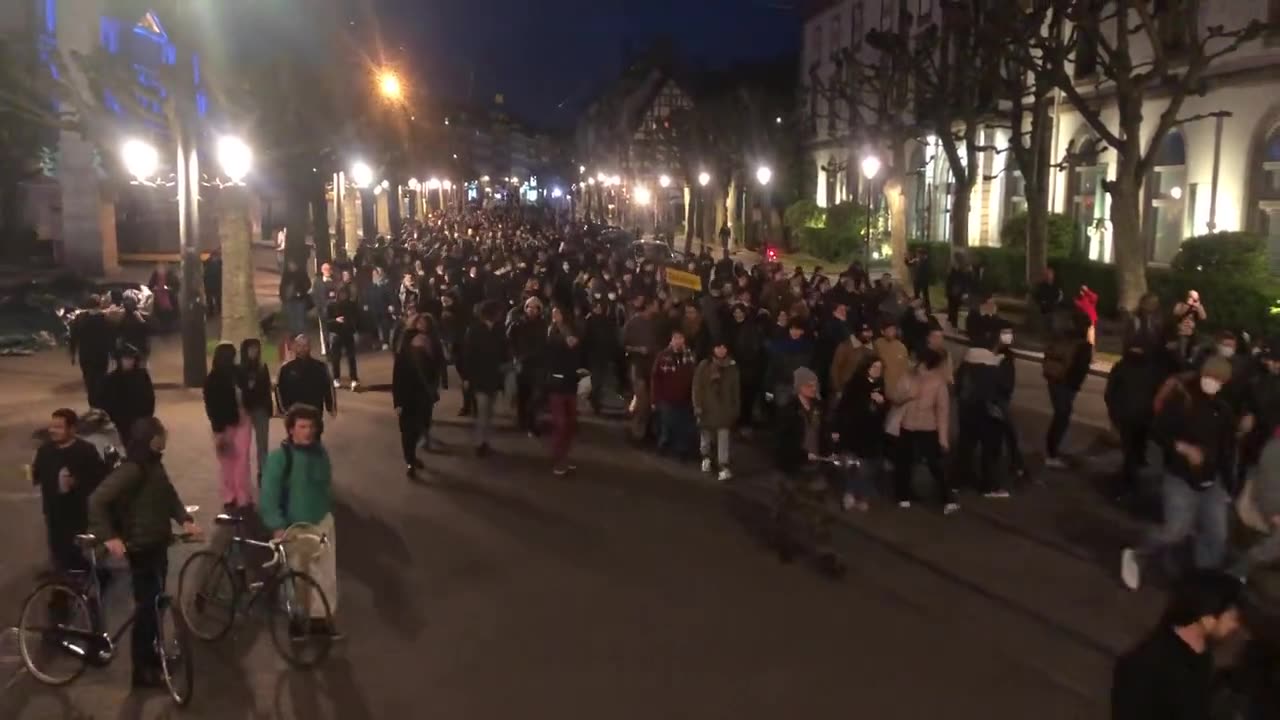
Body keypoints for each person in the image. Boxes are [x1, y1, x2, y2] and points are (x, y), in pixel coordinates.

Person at [87, 417, 201, 689]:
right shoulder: (133, 469)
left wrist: (183, 518)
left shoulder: (153, 464)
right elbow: (96, 500)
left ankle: (153, 656)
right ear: (149, 439)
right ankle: (142, 671)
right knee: (146, 609)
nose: (164, 441)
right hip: (141, 547)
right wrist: (110, 537)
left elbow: (168, 494)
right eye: (160, 437)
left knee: (155, 605)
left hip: (158, 542)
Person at [1120, 357, 1237, 591]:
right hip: (1181, 478)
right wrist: (1182, 447)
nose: (1213, 382)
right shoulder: (1182, 399)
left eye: (1219, 379)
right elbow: (1157, 431)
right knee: (1175, 531)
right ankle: (1137, 554)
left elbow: (1227, 449)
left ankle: (1201, 582)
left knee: (1216, 535)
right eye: (1210, 376)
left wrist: (1229, 486)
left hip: (1212, 482)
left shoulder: (1223, 409)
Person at [1111, 571, 1242, 720]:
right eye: (1232, 617)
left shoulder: (1200, 657)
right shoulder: (1148, 665)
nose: (1235, 625)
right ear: (1207, 617)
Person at [258, 405, 339, 636]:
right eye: (302, 426)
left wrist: (328, 514)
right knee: (298, 580)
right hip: (295, 527)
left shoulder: (320, 453)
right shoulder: (280, 458)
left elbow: (324, 486)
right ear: (291, 429)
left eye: (311, 426)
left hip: (321, 521)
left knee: (325, 576)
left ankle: (320, 621)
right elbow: (269, 494)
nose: (308, 431)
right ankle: (297, 622)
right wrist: (276, 525)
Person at [773, 367, 844, 577]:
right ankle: (785, 545)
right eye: (808, 385)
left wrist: (829, 450)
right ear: (798, 388)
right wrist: (800, 455)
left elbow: (823, 434)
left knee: (820, 513)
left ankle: (827, 556)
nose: (813, 389)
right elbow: (782, 443)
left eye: (814, 385)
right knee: (787, 511)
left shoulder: (818, 409)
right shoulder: (788, 411)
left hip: (813, 469)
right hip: (792, 469)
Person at [33, 409, 108, 573]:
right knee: (57, 551)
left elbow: (100, 479)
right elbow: (37, 474)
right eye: (52, 426)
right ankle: (61, 582)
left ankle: (86, 579)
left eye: (59, 427)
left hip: (76, 511)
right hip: (53, 511)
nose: (53, 431)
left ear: (72, 429)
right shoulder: (45, 450)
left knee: (75, 552)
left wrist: (77, 482)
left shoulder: (85, 451)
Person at [887, 348, 955, 513]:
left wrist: (943, 437)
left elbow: (942, 411)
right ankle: (902, 495)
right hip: (907, 426)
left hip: (928, 428)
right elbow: (895, 397)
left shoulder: (938, 382)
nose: (913, 363)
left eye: (916, 360)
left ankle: (948, 498)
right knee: (903, 462)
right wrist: (908, 395)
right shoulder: (907, 377)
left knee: (935, 464)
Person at [954, 330, 1014, 498]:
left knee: (965, 447)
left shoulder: (967, 359)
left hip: (966, 409)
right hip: (987, 411)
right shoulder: (993, 364)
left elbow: (958, 383)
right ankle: (988, 487)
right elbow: (1002, 388)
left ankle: (956, 482)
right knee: (990, 450)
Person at [1105, 342, 1162, 501]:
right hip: (1139, 418)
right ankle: (1129, 484)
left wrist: (1115, 415)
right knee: (1133, 452)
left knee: (1131, 452)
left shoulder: (1123, 366)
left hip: (1132, 418)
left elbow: (1110, 394)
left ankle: (1128, 483)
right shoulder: (1152, 369)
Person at [832, 356, 887, 511]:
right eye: (874, 367)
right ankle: (849, 493)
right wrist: (837, 428)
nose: (877, 371)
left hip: (871, 434)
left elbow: (882, 412)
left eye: (880, 368)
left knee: (866, 467)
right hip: (853, 431)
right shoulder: (855, 384)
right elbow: (843, 407)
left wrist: (882, 403)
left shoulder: (880, 385)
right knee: (851, 464)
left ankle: (861, 494)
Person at [204, 343, 254, 510]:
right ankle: (230, 494)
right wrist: (219, 430)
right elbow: (212, 407)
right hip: (225, 424)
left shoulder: (238, 374)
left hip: (242, 421)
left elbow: (248, 393)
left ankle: (241, 495)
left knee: (241, 459)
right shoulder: (213, 379)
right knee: (228, 461)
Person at [1042, 312, 1094, 469]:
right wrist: (1075, 386)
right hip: (1066, 384)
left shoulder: (1061, 337)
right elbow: (1080, 370)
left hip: (1053, 378)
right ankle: (1052, 454)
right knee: (1062, 417)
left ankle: (1052, 450)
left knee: (1060, 415)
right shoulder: (1084, 346)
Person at [461, 301, 509, 456]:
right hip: (479, 376)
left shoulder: (499, 329)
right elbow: (468, 355)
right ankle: (480, 442)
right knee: (482, 410)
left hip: (494, 376)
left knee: (488, 412)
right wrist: (467, 377)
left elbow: (504, 350)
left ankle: (485, 441)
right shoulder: (474, 330)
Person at [1231, 428, 1280, 580]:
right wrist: (1275, 513)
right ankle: (1239, 571)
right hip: (1273, 502)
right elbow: (1269, 488)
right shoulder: (1275, 450)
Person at [392, 332, 442, 478]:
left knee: (422, 427)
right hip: (407, 402)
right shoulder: (402, 358)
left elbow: (434, 375)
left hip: (423, 400)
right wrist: (398, 403)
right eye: (419, 338)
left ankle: (412, 456)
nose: (423, 340)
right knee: (408, 433)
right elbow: (397, 382)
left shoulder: (427, 355)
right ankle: (410, 461)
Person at [692, 339, 741, 481]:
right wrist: (698, 406)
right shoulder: (704, 366)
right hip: (707, 407)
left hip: (725, 408)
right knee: (706, 435)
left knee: (723, 436)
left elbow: (735, 390)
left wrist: (735, 408)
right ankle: (706, 457)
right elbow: (697, 387)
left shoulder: (732, 367)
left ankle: (723, 465)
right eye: (718, 347)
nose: (721, 350)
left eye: (724, 347)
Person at [544, 321, 584, 475]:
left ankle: (564, 457)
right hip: (557, 387)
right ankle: (558, 460)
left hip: (570, 386)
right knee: (560, 424)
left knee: (570, 424)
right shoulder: (554, 345)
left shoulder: (575, 348)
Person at [651, 328, 699, 457]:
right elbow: (656, 378)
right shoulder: (662, 356)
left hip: (685, 398)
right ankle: (663, 445)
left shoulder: (690, 357)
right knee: (667, 424)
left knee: (683, 425)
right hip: (667, 398)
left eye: (680, 339)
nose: (678, 341)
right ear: (671, 341)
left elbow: (695, 377)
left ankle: (680, 450)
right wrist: (655, 399)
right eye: (675, 338)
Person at [101, 344, 155, 451]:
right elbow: (106, 401)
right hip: (121, 421)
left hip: (140, 420)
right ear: (119, 360)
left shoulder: (142, 376)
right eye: (126, 359)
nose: (129, 362)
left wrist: (146, 418)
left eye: (132, 359)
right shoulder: (111, 379)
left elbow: (150, 398)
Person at [508, 296, 549, 437]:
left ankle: (531, 423)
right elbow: (510, 341)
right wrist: (516, 356)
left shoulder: (543, 324)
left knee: (535, 395)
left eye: (535, 308)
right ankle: (522, 420)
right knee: (523, 394)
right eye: (529, 307)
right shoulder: (517, 324)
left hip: (538, 364)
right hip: (522, 363)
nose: (531, 310)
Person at [277, 335, 337, 430]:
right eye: (299, 345)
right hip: (294, 412)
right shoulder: (286, 369)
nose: (302, 349)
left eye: (305, 345)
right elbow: (280, 389)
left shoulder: (320, 367)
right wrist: (283, 409)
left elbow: (328, 387)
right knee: (296, 440)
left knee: (314, 438)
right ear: (295, 347)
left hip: (315, 411)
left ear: (310, 347)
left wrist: (331, 407)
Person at [623, 296, 661, 442]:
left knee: (651, 401)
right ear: (649, 306)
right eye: (656, 305)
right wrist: (638, 349)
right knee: (642, 400)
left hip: (652, 367)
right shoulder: (633, 323)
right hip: (637, 366)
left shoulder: (656, 323)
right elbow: (624, 345)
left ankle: (645, 432)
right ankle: (637, 433)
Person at [69, 297, 113, 409]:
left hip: (86, 355)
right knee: (100, 378)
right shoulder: (105, 319)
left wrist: (72, 353)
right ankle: (99, 404)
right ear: (98, 305)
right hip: (101, 354)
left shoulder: (80, 319)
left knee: (89, 380)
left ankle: (92, 404)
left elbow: (73, 337)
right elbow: (110, 337)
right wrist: (113, 352)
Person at [238, 339, 273, 481]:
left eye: (256, 349)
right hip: (245, 410)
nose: (254, 352)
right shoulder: (240, 369)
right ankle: (242, 475)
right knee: (243, 445)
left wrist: (269, 408)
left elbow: (266, 389)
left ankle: (263, 472)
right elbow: (239, 389)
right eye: (251, 349)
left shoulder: (262, 367)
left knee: (262, 443)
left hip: (261, 409)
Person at [326, 285, 361, 390]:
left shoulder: (351, 305)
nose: (343, 296)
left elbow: (356, 319)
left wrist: (355, 331)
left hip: (348, 333)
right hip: (336, 334)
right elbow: (327, 322)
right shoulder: (331, 306)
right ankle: (336, 378)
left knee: (351, 358)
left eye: (345, 294)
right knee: (336, 358)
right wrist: (336, 321)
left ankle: (354, 379)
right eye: (342, 294)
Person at [278, 259, 311, 360]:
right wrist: (284, 297)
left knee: (299, 320)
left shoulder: (301, 274)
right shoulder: (286, 276)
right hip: (289, 301)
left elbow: (307, 284)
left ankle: (300, 339)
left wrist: (300, 291)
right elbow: (282, 287)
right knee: (291, 321)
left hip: (299, 300)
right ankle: (294, 341)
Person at [362, 265, 398, 351]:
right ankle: (376, 342)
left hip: (384, 309)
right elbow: (365, 297)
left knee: (385, 325)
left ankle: (385, 342)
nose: (374, 276)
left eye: (376, 274)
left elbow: (391, 296)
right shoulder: (369, 287)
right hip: (372, 310)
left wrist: (391, 305)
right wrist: (365, 304)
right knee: (373, 326)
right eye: (373, 274)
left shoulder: (385, 285)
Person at [1032, 266, 1063, 336]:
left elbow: (1060, 296)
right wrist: (1041, 303)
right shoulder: (1041, 286)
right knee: (1045, 327)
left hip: (1053, 310)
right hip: (1044, 310)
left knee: (1053, 327)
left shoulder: (1056, 286)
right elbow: (1036, 296)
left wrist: (1056, 303)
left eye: (1050, 274)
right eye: (1047, 274)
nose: (1048, 276)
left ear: (1053, 275)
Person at [203, 250, 223, 317]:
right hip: (217, 284)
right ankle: (219, 311)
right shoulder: (220, 263)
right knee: (218, 298)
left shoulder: (206, 263)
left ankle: (211, 312)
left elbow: (204, 274)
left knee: (210, 299)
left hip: (209, 284)